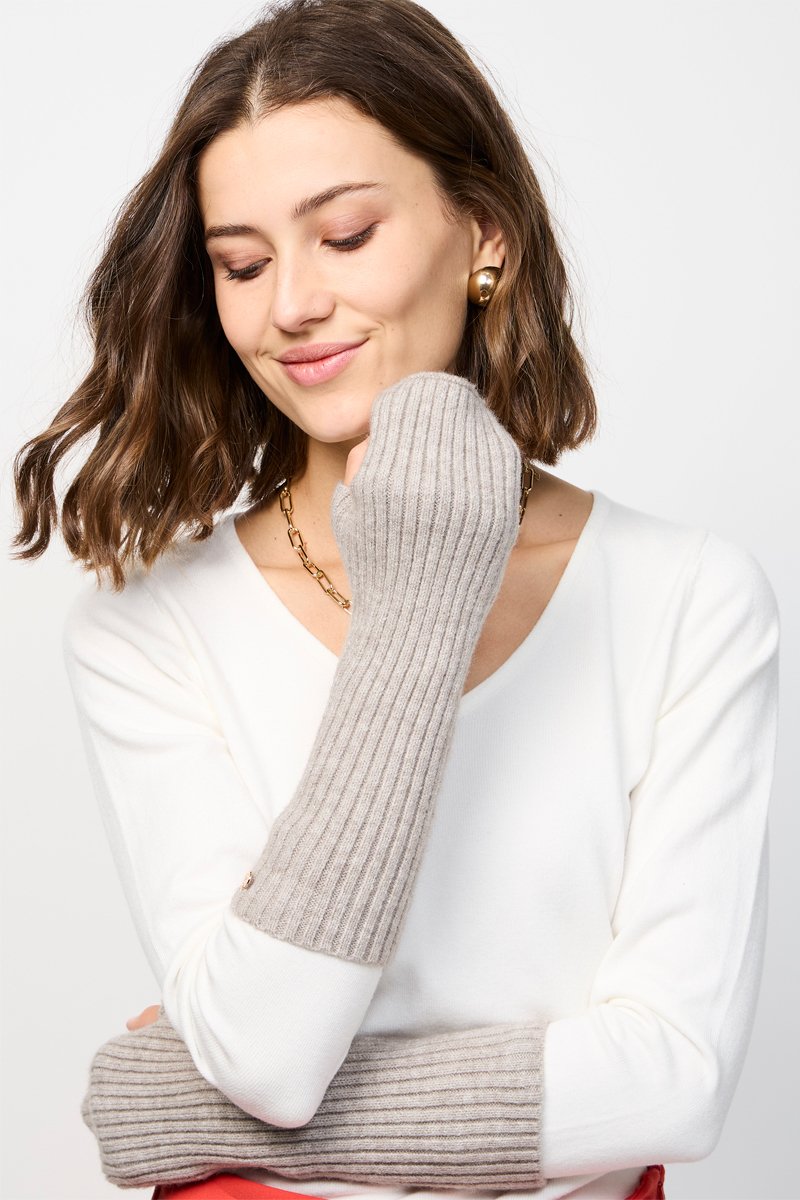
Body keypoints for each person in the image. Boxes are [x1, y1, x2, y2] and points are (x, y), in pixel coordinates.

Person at [10, 2, 779, 1199]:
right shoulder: (148, 629)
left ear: (483, 236)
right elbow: (268, 1057)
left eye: (346, 235)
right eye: (242, 265)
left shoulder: (684, 598)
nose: (289, 306)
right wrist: (414, 607)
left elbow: (670, 1085)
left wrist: (178, 1104)